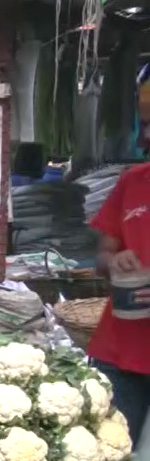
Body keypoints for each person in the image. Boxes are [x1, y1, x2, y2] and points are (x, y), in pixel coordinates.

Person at [84, 159, 150, 444]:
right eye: (146, 125)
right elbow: (101, 256)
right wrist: (113, 260)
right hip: (118, 354)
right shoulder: (134, 181)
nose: (146, 135)